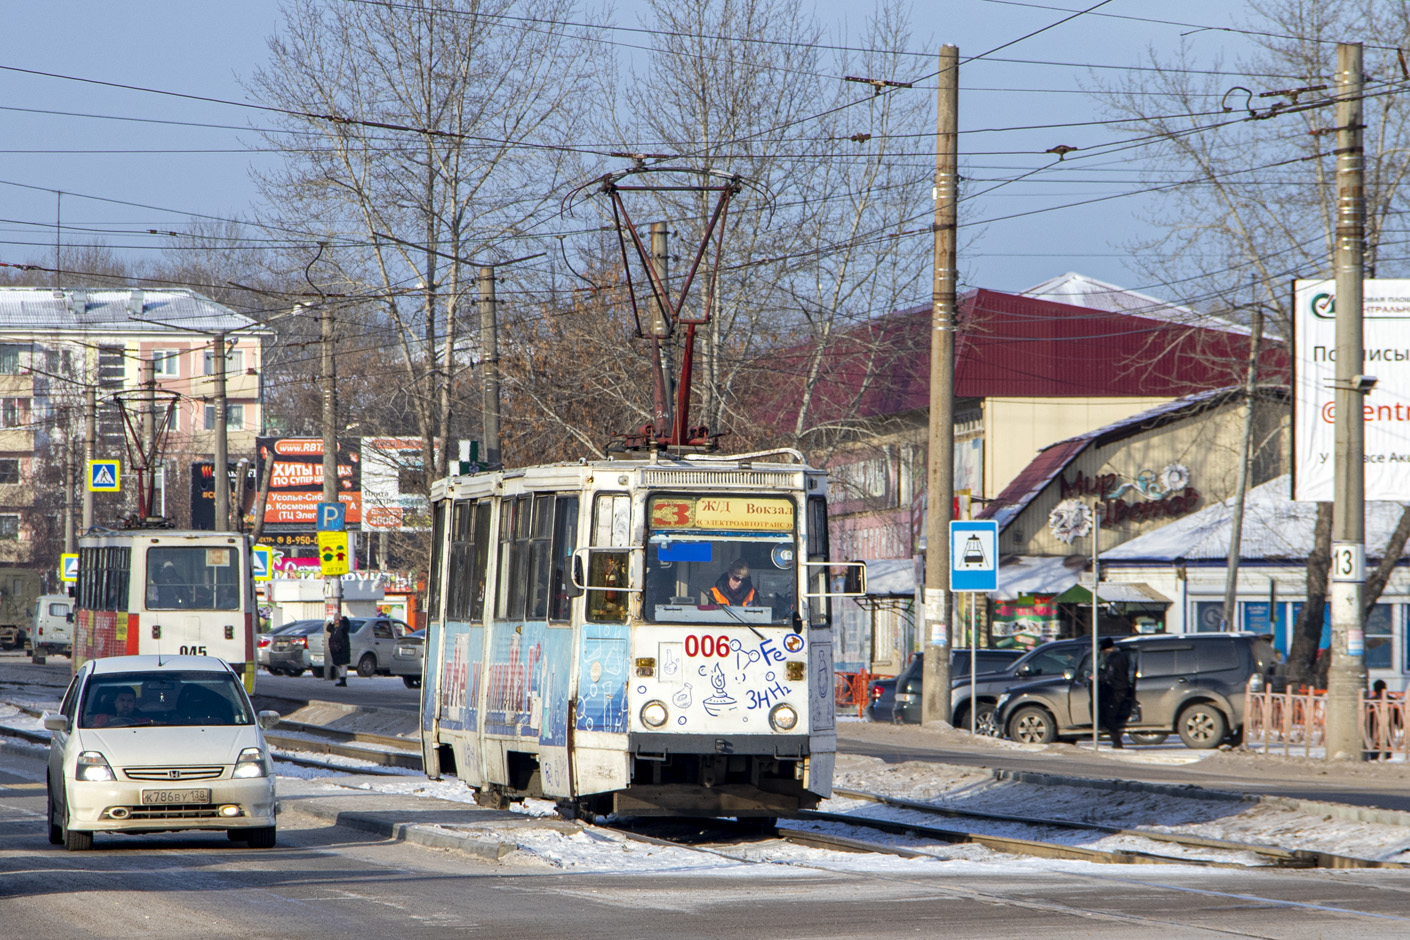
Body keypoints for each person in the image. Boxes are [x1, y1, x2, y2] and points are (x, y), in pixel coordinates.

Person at [1096, 636, 1133, 748]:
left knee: (1109, 716)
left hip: (1116, 689)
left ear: (1104, 649)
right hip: (1123, 687)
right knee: (1113, 714)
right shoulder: (1123, 655)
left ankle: (1117, 742)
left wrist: (1099, 677)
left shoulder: (1112, 658)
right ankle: (1117, 740)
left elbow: (1110, 675)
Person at [326, 615, 351, 686]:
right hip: (335, 648)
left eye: (337, 620)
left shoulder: (343, 627)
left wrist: (343, 620)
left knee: (343, 664)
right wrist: (331, 622)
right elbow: (328, 628)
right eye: (335, 620)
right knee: (338, 663)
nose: (336, 621)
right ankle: (341, 678)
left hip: (343, 648)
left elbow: (345, 626)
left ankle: (343, 678)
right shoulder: (334, 628)